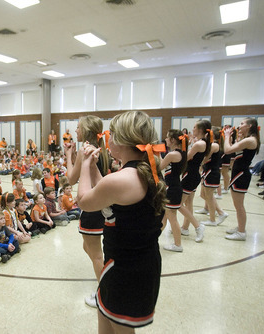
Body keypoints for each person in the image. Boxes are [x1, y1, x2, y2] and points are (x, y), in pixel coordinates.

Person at [77, 110, 165, 333]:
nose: (108, 139)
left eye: (112, 134)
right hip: (139, 262)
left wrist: (85, 165)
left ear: (122, 140)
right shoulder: (148, 171)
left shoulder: (123, 179)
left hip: (126, 270)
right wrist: (96, 168)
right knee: (106, 318)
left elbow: (84, 201)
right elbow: (109, 192)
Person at [63, 115, 110, 307]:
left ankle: (106, 295)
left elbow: (71, 179)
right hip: (101, 203)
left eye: (78, 127)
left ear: (86, 130)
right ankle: (106, 276)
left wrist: (68, 155)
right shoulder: (101, 148)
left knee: (96, 254)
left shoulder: (85, 150)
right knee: (88, 248)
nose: (75, 131)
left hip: (92, 207)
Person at [224, 118, 259, 241]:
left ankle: (241, 232)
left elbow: (228, 150)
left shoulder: (250, 140)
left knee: (239, 206)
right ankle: (240, 227)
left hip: (241, 174)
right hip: (238, 173)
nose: (239, 126)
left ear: (250, 126)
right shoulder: (248, 139)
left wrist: (227, 136)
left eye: (242, 124)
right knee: (237, 204)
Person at [179, 120, 208, 243]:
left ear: (201, 130)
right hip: (192, 174)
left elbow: (186, 157)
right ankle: (185, 228)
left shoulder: (199, 144)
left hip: (190, 175)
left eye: (195, 127)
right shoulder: (200, 143)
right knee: (188, 203)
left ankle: (198, 226)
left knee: (177, 204)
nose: (193, 128)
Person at [160, 129, 187, 252]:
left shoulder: (172, 155)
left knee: (172, 218)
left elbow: (159, 167)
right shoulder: (179, 153)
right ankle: (153, 239)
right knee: (165, 217)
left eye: (167, 137)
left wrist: (155, 155)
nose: (165, 140)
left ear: (173, 140)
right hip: (173, 187)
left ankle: (178, 245)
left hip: (173, 189)